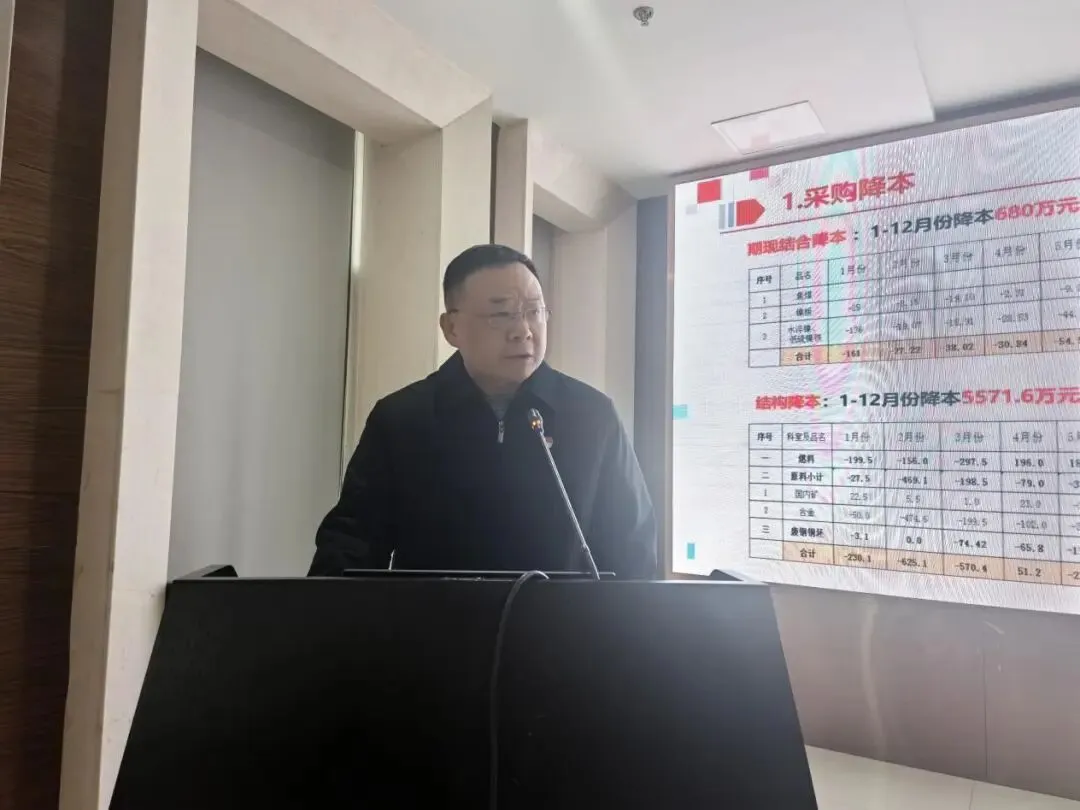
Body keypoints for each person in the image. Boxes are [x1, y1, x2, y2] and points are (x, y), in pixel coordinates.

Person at [308, 243, 656, 578]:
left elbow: (633, 550)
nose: (523, 331)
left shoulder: (592, 416)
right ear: (452, 328)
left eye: (534, 311)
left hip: (562, 620)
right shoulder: (402, 419)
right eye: (501, 315)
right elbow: (351, 544)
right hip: (433, 618)